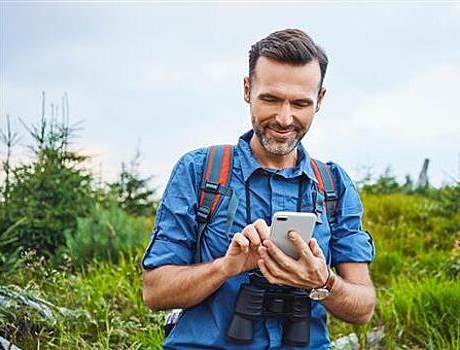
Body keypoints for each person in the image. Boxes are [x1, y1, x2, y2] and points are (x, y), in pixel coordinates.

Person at [142, 28, 376, 349]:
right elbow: (154, 291)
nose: (284, 118)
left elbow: (363, 307)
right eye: (270, 99)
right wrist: (226, 268)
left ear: (320, 100)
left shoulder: (333, 185)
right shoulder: (199, 171)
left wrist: (323, 281)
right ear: (247, 89)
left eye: (300, 103)